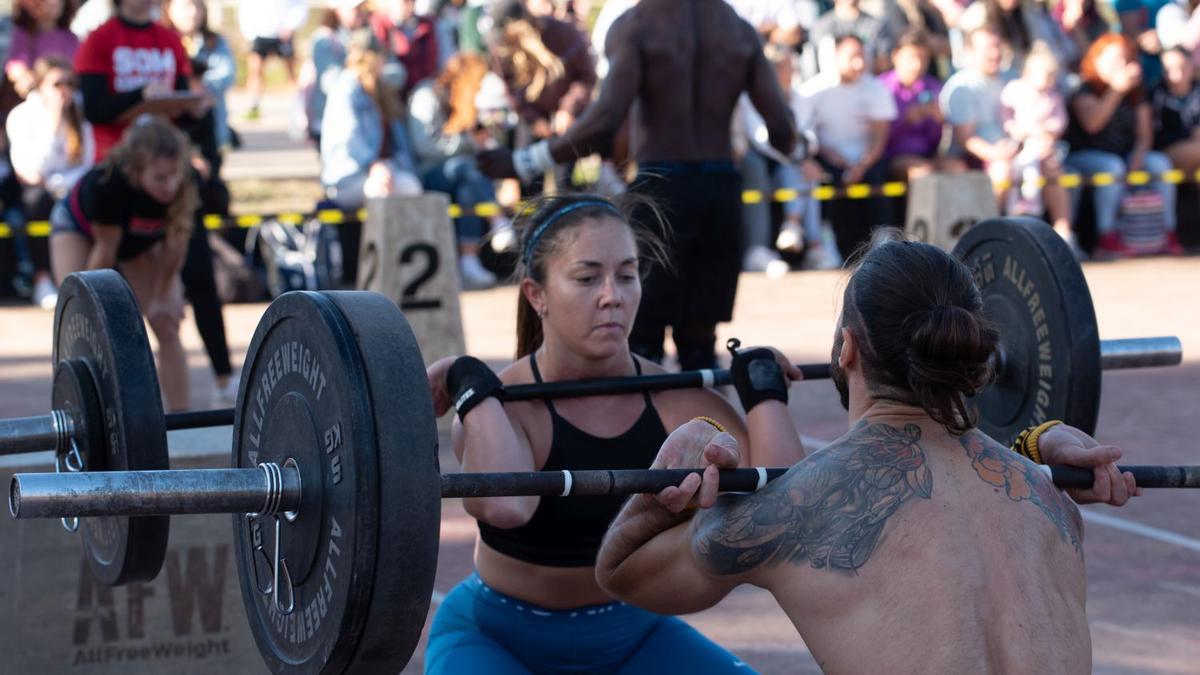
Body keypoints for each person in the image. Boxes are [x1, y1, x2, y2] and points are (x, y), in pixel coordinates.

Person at [595, 231, 1141, 673]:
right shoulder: (1052, 503)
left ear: (847, 349)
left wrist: (666, 483)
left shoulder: (791, 511)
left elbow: (621, 572)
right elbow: (960, 479)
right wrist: (1032, 444)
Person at [423, 193, 806, 673]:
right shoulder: (503, 410)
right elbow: (505, 504)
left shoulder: (679, 402)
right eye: (586, 278)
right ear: (536, 294)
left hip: (634, 635)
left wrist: (765, 394)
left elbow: (789, 512)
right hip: (496, 637)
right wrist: (469, 381)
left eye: (627, 275)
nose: (613, 295)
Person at [479, 0, 801, 372]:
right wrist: (804, 147)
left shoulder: (638, 25)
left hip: (661, 186)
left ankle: (653, 428)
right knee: (700, 343)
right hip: (720, 187)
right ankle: (704, 426)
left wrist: (525, 160)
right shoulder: (737, 29)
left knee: (642, 339)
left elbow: (605, 118)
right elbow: (782, 129)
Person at [48, 117, 198, 412]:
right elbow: (102, 260)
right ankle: (78, 411)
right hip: (81, 230)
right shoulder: (111, 184)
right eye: (159, 178)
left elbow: (176, 246)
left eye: (173, 176)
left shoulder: (185, 182)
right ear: (135, 171)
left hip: (138, 242)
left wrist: (161, 296)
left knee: (167, 323)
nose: (169, 185)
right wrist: (95, 314)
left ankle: (183, 419)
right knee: (79, 320)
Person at [1064, 34, 1182, 257]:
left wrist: (1138, 156)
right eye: (1112, 61)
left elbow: (1144, 135)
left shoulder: (1136, 92)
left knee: (1160, 164)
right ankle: (1106, 236)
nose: (1119, 66)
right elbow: (1093, 124)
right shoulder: (1084, 90)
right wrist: (1116, 91)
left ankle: (1168, 231)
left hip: (1124, 155)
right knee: (1112, 167)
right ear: (1096, 62)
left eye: (1123, 60)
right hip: (1084, 156)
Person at [408, 52, 508, 290]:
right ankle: (498, 221)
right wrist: (467, 143)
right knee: (465, 167)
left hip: (456, 174)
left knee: (467, 189)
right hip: (426, 173)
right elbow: (424, 147)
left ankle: (469, 261)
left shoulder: (453, 102)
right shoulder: (426, 96)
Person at [798, 35, 897, 260]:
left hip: (868, 159)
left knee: (879, 178)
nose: (859, 64)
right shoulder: (812, 90)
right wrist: (830, 155)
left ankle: (885, 243)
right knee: (820, 180)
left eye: (861, 56)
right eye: (852, 57)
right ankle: (824, 244)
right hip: (828, 158)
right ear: (834, 57)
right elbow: (806, 134)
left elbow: (879, 134)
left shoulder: (876, 88)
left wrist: (863, 164)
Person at [6, 57, 93, 309]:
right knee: (38, 202)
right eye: (57, 83)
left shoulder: (80, 116)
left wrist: (62, 184)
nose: (64, 89)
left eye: (70, 82)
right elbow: (31, 171)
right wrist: (54, 124)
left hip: (70, 189)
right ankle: (43, 278)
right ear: (41, 86)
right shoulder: (22, 116)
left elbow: (85, 164)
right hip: (38, 192)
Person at [74, 0, 200, 160]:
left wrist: (193, 110)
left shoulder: (171, 40)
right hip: (117, 156)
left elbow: (181, 98)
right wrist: (140, 95)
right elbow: (94, 110)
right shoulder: (98, 40)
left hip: (165, 156)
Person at [320, 29, 423, 210]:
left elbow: (397, 144)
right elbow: (349, 138)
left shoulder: (380, 88)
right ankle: (377, 240)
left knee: (410, 187)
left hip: (382, 169)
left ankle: (401, 239)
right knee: (380, 189)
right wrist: (372, 166)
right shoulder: (346, 89)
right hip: (347, 176)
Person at [999, 44, 1073, 240]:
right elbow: (1006, 114)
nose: (1049, 80)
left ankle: (1049, 218)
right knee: (1021, 166)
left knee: (1051, 167)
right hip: (1019, 143)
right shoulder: (1015, 89)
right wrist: (1015, 130)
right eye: (1045, 75)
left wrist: (1048, 135)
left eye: (1052, 76)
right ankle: (1020, 205)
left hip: (1044, 146)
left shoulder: (1053, 97)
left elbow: (1059, 123)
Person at [880, 29, 963, 181]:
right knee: (923, 173)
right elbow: (878, 139)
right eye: (912, 58)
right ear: (896, 56)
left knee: (957, 169)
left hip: (927, 155)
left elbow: (936, 140)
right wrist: (905, 121)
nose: (917, 65)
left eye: (923, 59)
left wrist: (938, 121)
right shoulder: (881, 88)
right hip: (893, 158)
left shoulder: (932, 87)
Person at [163, 0, 235, 151]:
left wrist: (198, 89)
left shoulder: (214, 41)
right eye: (186, 6)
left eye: (198, 6)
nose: (193, 12)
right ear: (169, 9)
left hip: (208, 123)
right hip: (172, 125)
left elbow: (226, 74)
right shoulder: (161, 41)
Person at [302, 0, 371, 152]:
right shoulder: (324, 40)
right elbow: (330, 82)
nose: (360, 12)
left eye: (361, 8)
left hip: (360, 116)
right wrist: (362, 73)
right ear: (338, 10)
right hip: (330, 119)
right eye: (355, 9)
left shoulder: (366, 35)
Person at [239, 0, 308, 121]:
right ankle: (254, 106)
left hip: (283, 33)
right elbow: (245, 6)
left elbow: (300, 4)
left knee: (291, 73)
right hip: (259, 33)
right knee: (255, 71)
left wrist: (291, 25)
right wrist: (249, 31)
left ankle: (301, 108)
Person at [6, 0, 80, 101]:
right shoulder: (24, 35)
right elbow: (15, 65)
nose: (54, 3)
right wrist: (24, 78)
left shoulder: (71, 38)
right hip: (36, 96)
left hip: (64, 97)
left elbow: (76, 71)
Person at [371, 0, 440, 97]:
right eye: (405, 1)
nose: (410, 4)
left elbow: (430, 63)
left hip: (419, 85)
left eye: (413, 1)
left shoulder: (426, 25)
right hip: (391, 90)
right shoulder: (380, 25)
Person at [809, 0, 895, 74]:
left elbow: (884, 62)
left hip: (867, 85)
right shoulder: (821, 27)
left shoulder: (877, 26)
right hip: (830, 87)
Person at [1151, 46, 1200, 174]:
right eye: (1168, 69)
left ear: (1191, 66)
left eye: (1182, 67)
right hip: (1167, 151)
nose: (1176, 75)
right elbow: (1154, 136)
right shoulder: (1155, 95)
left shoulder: (1197, 91)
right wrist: (1190, 133)